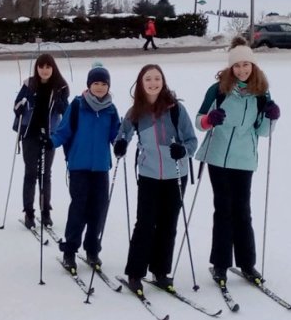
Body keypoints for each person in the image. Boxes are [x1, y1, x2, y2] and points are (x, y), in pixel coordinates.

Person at [194, 37, 280, 285]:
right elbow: (199, 121)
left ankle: (247, 264)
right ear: (230, 67)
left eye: (246, 65)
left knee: (242, 210)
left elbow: (262, 131)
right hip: (218, 157)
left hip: (244, 159)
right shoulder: (217, 90)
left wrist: (271, 117)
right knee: (223, 209)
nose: (242, 70)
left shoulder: (261, 93)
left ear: (253, 66)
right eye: (237, 65)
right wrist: (210, 119)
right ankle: (220, 264)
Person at [113, 64, 197, 293]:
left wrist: (183, 150)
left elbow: (192, 141)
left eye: (157, 78)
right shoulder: (135, 112)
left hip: (176, 174)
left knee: (168, 224)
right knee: (145, 224)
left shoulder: (175, 109)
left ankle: (160, 271)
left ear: (163, 81)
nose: (153, 83)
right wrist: (120, 145)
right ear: (141, 83)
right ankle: (135, 272)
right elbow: (123, 134)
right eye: (148, 79)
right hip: (148, 174)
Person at [48, 64, 120, 270]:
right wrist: (51, 142)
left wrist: (120, 144)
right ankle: (70, 250)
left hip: (101, 167)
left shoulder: (111, 109)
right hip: (78, 166)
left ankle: (92, 249)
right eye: (96, 83)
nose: (100, 87)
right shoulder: (78, 105)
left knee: (98, 209)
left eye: (103, 84)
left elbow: (115, 134)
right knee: (79, 208)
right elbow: (64, 131)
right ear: (89, 85)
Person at [13, 54, 69, 229]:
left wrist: (59, 103)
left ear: (53, 68)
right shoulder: (29, 84)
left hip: (49, 135)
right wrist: (21, 106)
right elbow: (16, 106)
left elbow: (66, 110)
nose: (44, 70)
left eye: (48, 67)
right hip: (30, 134)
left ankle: (46, 212)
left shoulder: (60, 87)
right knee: (30, 173)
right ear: (36, 68)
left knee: (46, 174)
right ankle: (29, 212)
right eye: (41, 67)